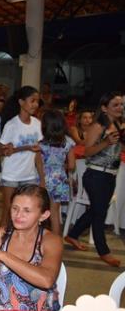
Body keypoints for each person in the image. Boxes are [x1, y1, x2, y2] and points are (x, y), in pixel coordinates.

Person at [0, 184, 62, 311]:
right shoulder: (0, 236)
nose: (18, 215)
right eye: (15, 208)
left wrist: (2, 255)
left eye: (27, 210)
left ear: (43, 215)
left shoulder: (50, 241)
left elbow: (47, 280)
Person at [65, 92, 124, 267]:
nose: (120, 108)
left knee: (97, 209)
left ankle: (73, 234)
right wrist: (105, 142)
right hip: (96, 175)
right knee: (99, 214)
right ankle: (103, 251)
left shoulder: (118, 124)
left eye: (121, 105)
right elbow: (88, 152)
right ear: (105, 108)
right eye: (116, 105)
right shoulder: (98, 126)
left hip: (110, 175)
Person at [0, 86, 45, 228]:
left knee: (28, 214)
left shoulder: (37, 124)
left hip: (29, 175)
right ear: (21, 102)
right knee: (8, 211)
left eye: (37, 101)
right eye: (32, 101)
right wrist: (10, 150)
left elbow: (38, 154)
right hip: (11, 175)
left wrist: (42, 178)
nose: (35, 104)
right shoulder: (12, 125)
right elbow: (0, 150)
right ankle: (0, 243)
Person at [39, 110, 76, 235]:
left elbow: (37, 162)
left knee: (40, 211)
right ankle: (56, 242)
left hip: (43, 179)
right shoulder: (68, 142)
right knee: (55, 213)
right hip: (60, 178)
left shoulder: (41, 143)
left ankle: (39, 239)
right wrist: (59, 166)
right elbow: (71, 165)